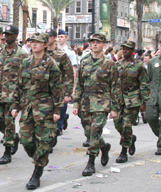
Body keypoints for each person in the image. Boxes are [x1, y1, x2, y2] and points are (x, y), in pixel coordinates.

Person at [11, 32, 62, 190]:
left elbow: (57, 89)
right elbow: (19, 85)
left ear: (45, 45)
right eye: (32, 42)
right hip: (28, 108)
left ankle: (37, 172)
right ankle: (40, 158)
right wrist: (15, 105)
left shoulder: (51, 64)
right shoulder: (25, 62)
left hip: (45, 109)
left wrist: (57, 110)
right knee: (25, 140)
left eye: (38, 42)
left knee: (43, 142)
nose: (34, 44)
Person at [73, 33, 119, 176]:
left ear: (103, 45)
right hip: (85, 103)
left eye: (98, 42)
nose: (94, 44)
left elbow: (115, 87)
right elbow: (79, 84)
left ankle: (91, 163)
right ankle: (104, 147)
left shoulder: (110, 64)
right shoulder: (84, 61)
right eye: (92, 42)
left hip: (102, 103)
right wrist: (76, 104)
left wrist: (115, 108)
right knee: (89, 132)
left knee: (94, 132)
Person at [0, 25, 27, 164]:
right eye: (6, 34)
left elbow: (25, 78)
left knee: (9, 123)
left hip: (13, 96)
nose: (7, 36)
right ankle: (13, 138)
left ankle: (7, 151)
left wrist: (21, 99)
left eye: (10, 34)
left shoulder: (22, 55)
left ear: (16, 36)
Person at [114, 41, 150, 163]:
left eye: (127, 49)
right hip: (119, 99)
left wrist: (144, 102)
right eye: (123, 49)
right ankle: (130, 139)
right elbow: (113, 83)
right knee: (118, 123)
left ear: (132, 50)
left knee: (126, 125)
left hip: (133, 99)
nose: (125, 51)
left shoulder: (139, 65)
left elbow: (144, 83)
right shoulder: (117, 64)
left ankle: (123, 152)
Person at [45, 28, 74, 152]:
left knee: (54, 118)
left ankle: (52, 136)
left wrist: (68, 93)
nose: (47, 38)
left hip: (58, 92)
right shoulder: (40, 53)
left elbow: (69, 74)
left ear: (54, 38)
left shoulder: (62, 55)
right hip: (43, 92)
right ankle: (48, 138)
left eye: (50, 36)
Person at [56, 29, 77, 132]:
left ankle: (59, 126)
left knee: (63, 104)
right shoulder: (53, 50)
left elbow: (73, 70)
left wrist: (73, 88)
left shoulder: (70, 52)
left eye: (62, 37)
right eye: (58, 37)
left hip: (65, 82)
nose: (60, 39)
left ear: (66, 38)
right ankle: (62, 119)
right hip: (55, 82)